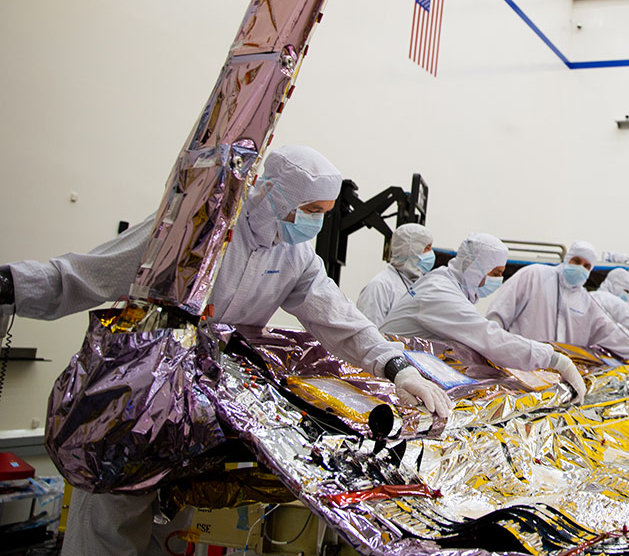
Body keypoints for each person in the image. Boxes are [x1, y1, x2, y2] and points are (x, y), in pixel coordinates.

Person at [0, 145, 450, 556]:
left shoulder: (295, 258)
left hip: (195, 416)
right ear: (271, 192)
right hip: (132, 403)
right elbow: (87, 274)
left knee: (171, 525)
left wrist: (396, 367)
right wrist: (14, 286)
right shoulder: (197, 231)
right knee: (108, 527)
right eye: (309, 210)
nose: (312, 222)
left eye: (323, 214)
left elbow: (340, 319)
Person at [377, 232, 587, 399]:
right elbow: (489, 338)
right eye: (495, 273)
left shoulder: (447, 285)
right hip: (389, 379)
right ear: (474, 267)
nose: (497, 280)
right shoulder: (439, 292)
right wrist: (556, 360)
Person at [485, 241, 629, 383]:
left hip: (556, 380)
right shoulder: (534, 276)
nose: (580, 268)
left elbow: (614, 333)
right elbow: (497, 317)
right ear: (567, 259)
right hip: (516, 370)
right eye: (577, 261)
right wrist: (492, 360)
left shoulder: (587, 303)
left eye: (586, 266)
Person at [357, 223, 435, 326]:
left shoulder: (417, 285)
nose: (431, 253)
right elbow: (368, 334)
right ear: (411, 249)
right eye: (427, 248)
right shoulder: (379, 286)